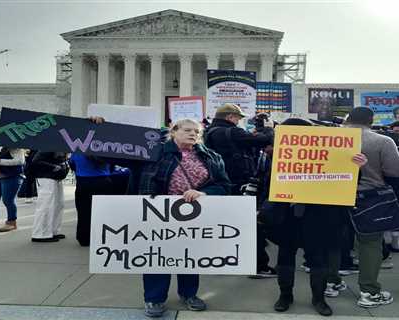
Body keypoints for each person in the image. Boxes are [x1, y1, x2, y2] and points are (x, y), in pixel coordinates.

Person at [122, 119, 230, 318]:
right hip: (158, 213)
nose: (193, 134)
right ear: (173, 132)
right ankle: (154, 298)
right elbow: (110, 154)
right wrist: (98, 127)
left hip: (194, 215)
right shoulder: (154, 152)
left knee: (189, 256)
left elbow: (223, 185)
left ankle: (189, 294)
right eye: (187, 130)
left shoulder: (211, 156)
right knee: (157, 255)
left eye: (196, 131)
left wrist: (204, 193)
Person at [268, 118, 368, 316]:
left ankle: (319, 298)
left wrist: (358, 167)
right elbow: (267, 182)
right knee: (285, 256)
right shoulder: (277, 154)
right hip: (287, 213)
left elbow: (346, 181)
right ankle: (285, 295)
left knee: (318, 257)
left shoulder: (331, 153)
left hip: (320, 214)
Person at [204, 103, 275, 277]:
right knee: (252, 225)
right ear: (230, 117)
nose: (239, 121)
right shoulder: (232, 132)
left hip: (219, 184)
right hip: (239, 184)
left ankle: (218, 260)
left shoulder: (209, 132)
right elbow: (264, 140)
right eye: (238, 117)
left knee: (222, 224)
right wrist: (268, 129)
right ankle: (258, 265)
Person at [344, 107, 399, 308]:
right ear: (371, 120)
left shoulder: (329, 138)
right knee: (370, 244)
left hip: (332, 196)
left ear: (348, 119)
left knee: (333, 241)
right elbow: (396, 171)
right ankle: (369, 292)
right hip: (368, 199)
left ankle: (331, 283)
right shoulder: (383, 141)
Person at [69, 153, 114, 246]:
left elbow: (72, 164)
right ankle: (101, 237)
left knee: (83, 211)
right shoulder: (103, 150)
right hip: (102, 180)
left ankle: (84, 238)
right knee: (102, 212)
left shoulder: (77, 151)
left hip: (83, 181)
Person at [30, 152, 69, 242]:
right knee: (46, 205)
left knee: (58, 204)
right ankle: (40, 234)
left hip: (53, 177)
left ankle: (52, 231)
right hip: (46, 178)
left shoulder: (56, 147)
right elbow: (36, 161)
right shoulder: (48, 147)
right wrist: (54, 166)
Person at [0, 147, 25, 232]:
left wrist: (0, 161)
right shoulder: (0, 147)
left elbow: (20, 161)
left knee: (8, 200)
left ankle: (11, 222)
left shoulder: (17, 149)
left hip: (11, 177)